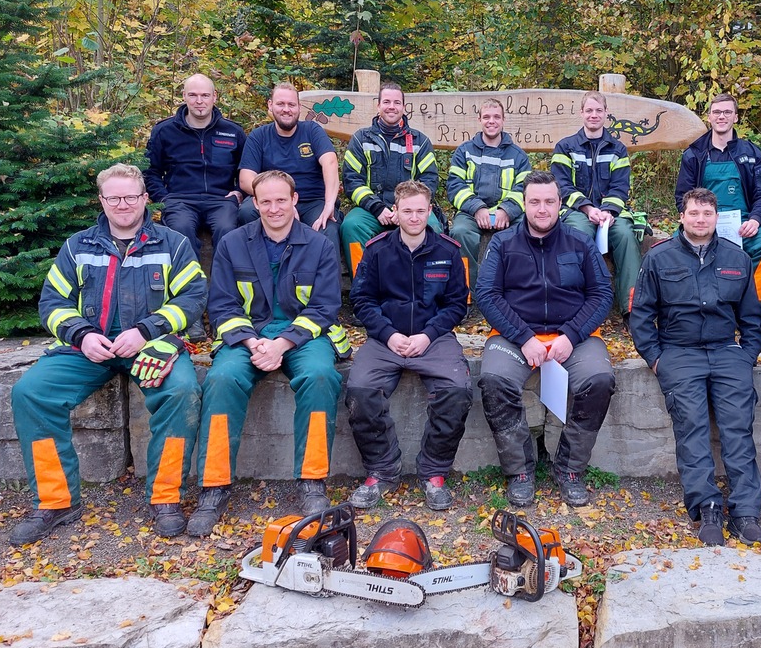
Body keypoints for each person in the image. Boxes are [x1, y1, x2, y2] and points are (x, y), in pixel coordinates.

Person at [9, 164, 205, 544]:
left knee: (181, 392)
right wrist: (81, 335)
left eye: (131, 196)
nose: (123, 204)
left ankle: (165, 498)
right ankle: (56, 501)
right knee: (30, 392)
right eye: (114, 197)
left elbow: (194, 298)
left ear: (145, 198)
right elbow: (52, 303)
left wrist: (147, 330)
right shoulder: (77, 245)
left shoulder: (173, 243)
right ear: (101, 200)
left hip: (150, 343)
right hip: (87, 347)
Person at [186, 170, 345, 536]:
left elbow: (323, 307)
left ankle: (312, 481)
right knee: (222, 378)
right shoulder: (233, 243)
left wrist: (283, 342)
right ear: (254, 204)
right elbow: (222, 306)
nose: (274, 208)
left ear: (294, 201)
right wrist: (251, 341)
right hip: (249, 337)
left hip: (303, 337)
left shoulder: (319, 244)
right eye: (266, 201)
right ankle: (213, 488)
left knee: (321, 377)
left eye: (281, 200)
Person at [630, 187, 761, 545]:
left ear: (716, 217)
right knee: (691, 427)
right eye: (694, 213)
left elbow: (752, 318)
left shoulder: (737, 258)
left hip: (726, 352)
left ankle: (745, 511)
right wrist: (656, 358)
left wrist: (746, 355)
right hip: (679, 353)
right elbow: (642, 315)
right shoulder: (659, 259)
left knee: (738, 428)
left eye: (707, 214)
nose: (701, 220)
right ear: (682, 216)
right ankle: (707, 508)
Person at [476, 170, 616, 507]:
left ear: (560, 203)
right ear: (523, 204)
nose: (542, 209)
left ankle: (569, 468)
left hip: (575, 337)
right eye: (535, 202)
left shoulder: (580, 242)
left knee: (599, 380)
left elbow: (601, 294)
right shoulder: (503, 242)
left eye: (549, 201)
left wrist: (571, 334)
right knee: (494, 380)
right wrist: (523, 337)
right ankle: (521, 471)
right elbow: (486, 294)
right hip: (514, 337)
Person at [345, 181, 472, 511]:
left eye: (420, 210)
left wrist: (428, 335)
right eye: (407, 211)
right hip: (386, 338)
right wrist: (388, 334)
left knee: (457, 390)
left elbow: (458, 304)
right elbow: (361, 299)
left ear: (430, 211)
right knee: (360, 389)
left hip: (434, 338)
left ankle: (433, 473)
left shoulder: (448, 250)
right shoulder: (375, 250)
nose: (414, 217)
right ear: (395, 212)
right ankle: (381, 470)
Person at [675, 92, 761, 297]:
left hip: (742, 224)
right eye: (716, 112)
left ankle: (754, 303)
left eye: (727, 112)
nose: (721, 116)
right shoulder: (694, 154)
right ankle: (691, 304)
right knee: (674, 248)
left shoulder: (751, 153)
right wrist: (698, 221)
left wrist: (755, 220)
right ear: (709, 116)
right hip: (702, 221)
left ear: (735, 117)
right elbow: (682, 197)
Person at [551, 92, 641, 322]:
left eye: (598, 111)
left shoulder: (618, 149)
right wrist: (588, 209)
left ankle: (631, 309)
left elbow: (620, 187)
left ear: (605, 114)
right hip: (576, 211)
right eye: (589, 110)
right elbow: (561, 186)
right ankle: (577, 305)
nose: (594, 115)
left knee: (626, 235)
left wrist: (609, 212)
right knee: (579, 234)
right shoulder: (565, 147)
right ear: (581, 113)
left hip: (612, 213)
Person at [237, 82, 343, 267]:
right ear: (270, 106)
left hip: (313, 202)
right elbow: (246, 179)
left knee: (328, 227)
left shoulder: (312, 130)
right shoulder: (259, 136)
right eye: (281, 104)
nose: (286, 109)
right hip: (273, 201)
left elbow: (330, 162)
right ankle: (261, 274)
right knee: (247, 211)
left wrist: (329, 205)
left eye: (291, 105)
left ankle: (327, 291)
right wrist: (282, 202)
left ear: (299, 108)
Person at [340, 82, 441, 273]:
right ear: (378, 106)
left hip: (410, 209)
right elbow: (352, 180)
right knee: (351, 226)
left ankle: (424, 287)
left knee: (433, 227)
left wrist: (405, 210)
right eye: (386, 101)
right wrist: (377, 207)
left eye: (397, 102)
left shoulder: (420, 141)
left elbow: (429, 181)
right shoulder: (361, 139)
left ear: (404, 107)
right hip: (371, 210)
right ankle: (364, 286)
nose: (391, 106)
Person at [144, 74, 246, 260]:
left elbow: (247, 169)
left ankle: (220, 287)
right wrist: (163, 198)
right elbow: (151, 171)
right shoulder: (164, 131)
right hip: (179, 201)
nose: (199, 101)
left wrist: (239, 192)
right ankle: (190, 287)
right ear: (184, 96)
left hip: (221, 200)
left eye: (205, 95)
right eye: (193, 95)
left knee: (228, 231)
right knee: (181, 231)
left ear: (215, 97)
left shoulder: (233, 131)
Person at [446, 97, 531, 293]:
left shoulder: (518, 155)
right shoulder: (464, 152)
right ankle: (468, 295)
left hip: (510, 214)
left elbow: (524, 189)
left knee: (526, 233)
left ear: (503, 120)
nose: (491, 121)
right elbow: (455, 186)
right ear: (479, 120)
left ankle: (515, 294)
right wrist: (477, 208)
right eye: (486, 117)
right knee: (460, 232)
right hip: (471, 213)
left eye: (496, 117)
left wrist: (506, 211)